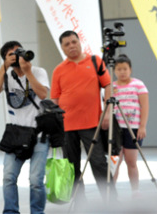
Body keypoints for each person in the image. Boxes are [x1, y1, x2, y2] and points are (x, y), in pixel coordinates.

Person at [51, 30, 114, 200]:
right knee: (71, 167)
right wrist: (55, 126)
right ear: (63, 49)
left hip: (91, 124)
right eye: (67, 44)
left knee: (99, 163)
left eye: (74, 42)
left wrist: (107, 112)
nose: (71, 46)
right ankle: (79, 205)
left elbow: (108, 85)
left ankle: (111, 202)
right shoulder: (58, 70)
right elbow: (55, 99)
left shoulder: (95, 61)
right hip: (67, 125)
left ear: (79, 42)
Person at [0, 41, 50, 214]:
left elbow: (43, 94)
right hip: (16, 134)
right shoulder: (6, 76)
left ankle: (37, 212)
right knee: (9, 177)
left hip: (39, 134)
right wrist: (4, 68)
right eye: (12, 54)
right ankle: (10, 211)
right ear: (6, 59)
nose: (17, 56)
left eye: (19, 51)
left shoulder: (38, 71)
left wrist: (28, 72)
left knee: (36, 180)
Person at [111, 55, 149, 192]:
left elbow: (145, 106)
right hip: (115, 129)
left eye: (125, 69)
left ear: (130, 69)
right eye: (119, 69)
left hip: (133, 128)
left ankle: (135, 192)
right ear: (114, 71)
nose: (122, 72)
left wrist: (142, 126)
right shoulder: (112, 87)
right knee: (115, 162)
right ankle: (111, 194)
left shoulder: (138, 85)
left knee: (131, 162)